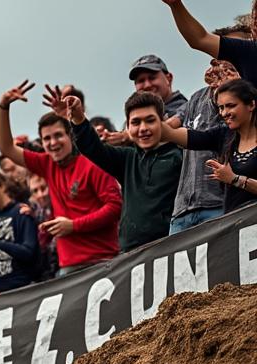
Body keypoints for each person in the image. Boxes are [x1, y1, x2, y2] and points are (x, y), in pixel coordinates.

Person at [0, 80, 122, 276]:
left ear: (69, 136)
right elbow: (6, 148)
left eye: (58, 135)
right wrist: (3, 106)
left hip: (104, 262)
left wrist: (73, 226)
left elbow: (115, 208)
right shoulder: (47, 164)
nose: (53, 143)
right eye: (47, 138)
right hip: (68, 269)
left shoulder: (93, 162)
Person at [57, 90, 182, 252]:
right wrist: (79, 118)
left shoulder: (180, 156)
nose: (143, 128)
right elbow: (93, 148)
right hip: (130, 254)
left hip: (170, 248)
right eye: (135, 122)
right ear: (128, 127)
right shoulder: (126, 158)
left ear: (163, 121)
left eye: (150, 120)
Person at [170, 41, 244, 233]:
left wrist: (233, 87)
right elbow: (169, 127)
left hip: (219, 204)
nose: (216, 64)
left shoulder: (247, 97)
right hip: (182, 210)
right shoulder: (196, 98)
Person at [159, 78, 257, 213]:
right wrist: (162, 129)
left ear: (251, 105)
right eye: (221, 108)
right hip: (235, 221)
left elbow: (233, 179)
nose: (224, 113)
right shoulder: (224, 135)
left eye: (231, 106)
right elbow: (191, 137)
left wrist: (235, 179)